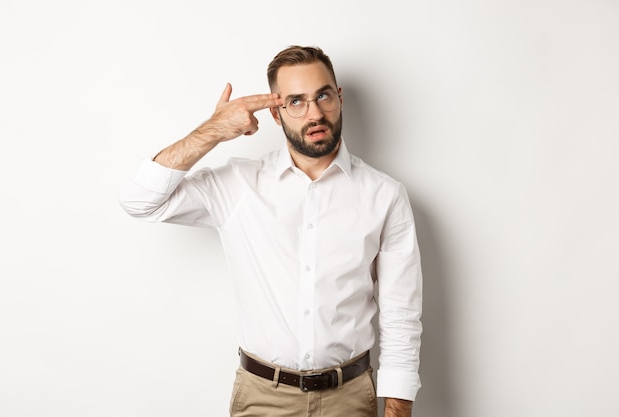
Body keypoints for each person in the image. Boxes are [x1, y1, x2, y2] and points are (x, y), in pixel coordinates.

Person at [119, 45, 423, 417]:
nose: (314, 114)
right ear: (277, 114)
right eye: (295, 102)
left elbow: (400, 313)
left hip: (350, 397)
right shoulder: (239, 184)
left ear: (339, 98)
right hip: (263, 399)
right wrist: (213, 130)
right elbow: (140, 201)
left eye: (323, 96)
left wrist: (397, 408)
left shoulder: (384, 195)